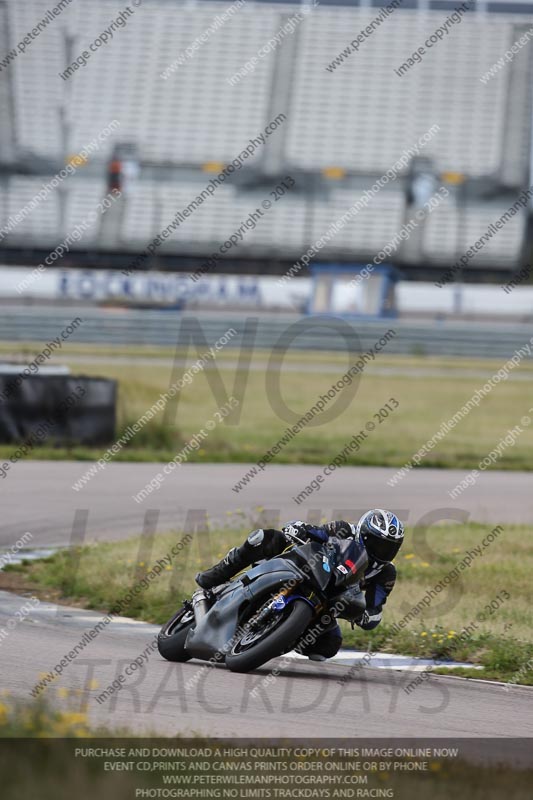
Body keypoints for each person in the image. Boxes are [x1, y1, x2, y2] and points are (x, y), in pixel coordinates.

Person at [195, 509, 404, 661]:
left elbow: (374, 608)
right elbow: (316, 532)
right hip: (307, 570)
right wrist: (300, 529)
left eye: (389, 547)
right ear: (363, 534)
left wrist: (365, 616)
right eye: (377, 543)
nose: (382, 551)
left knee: (328, 646)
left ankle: (272, 639)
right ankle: (217, 575)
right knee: (264, 538)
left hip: (329, 601)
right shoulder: (343, 530)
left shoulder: (385, 573)